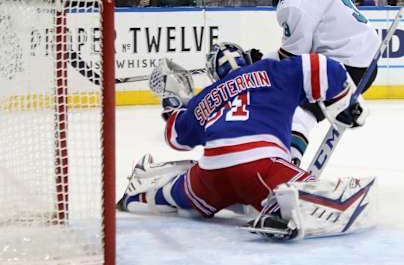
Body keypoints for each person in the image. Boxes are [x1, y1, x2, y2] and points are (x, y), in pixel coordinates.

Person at [117, 42, 370, 240]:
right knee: (316, 193)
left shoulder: (208, 96)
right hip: (260, 165)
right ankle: (277, 210)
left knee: (180, 195)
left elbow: (176, 137)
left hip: (210, 172)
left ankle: (138, 196)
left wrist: (172, 104)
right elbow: (325, 68)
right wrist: (345, 103)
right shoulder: (274, 69)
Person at [262, 0, 380, 164]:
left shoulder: (293, 4)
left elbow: (292, 58)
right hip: (366, 58)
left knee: (297, 110)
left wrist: (258, 63)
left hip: (344, 67)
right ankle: (347, 101)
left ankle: (289, 164)